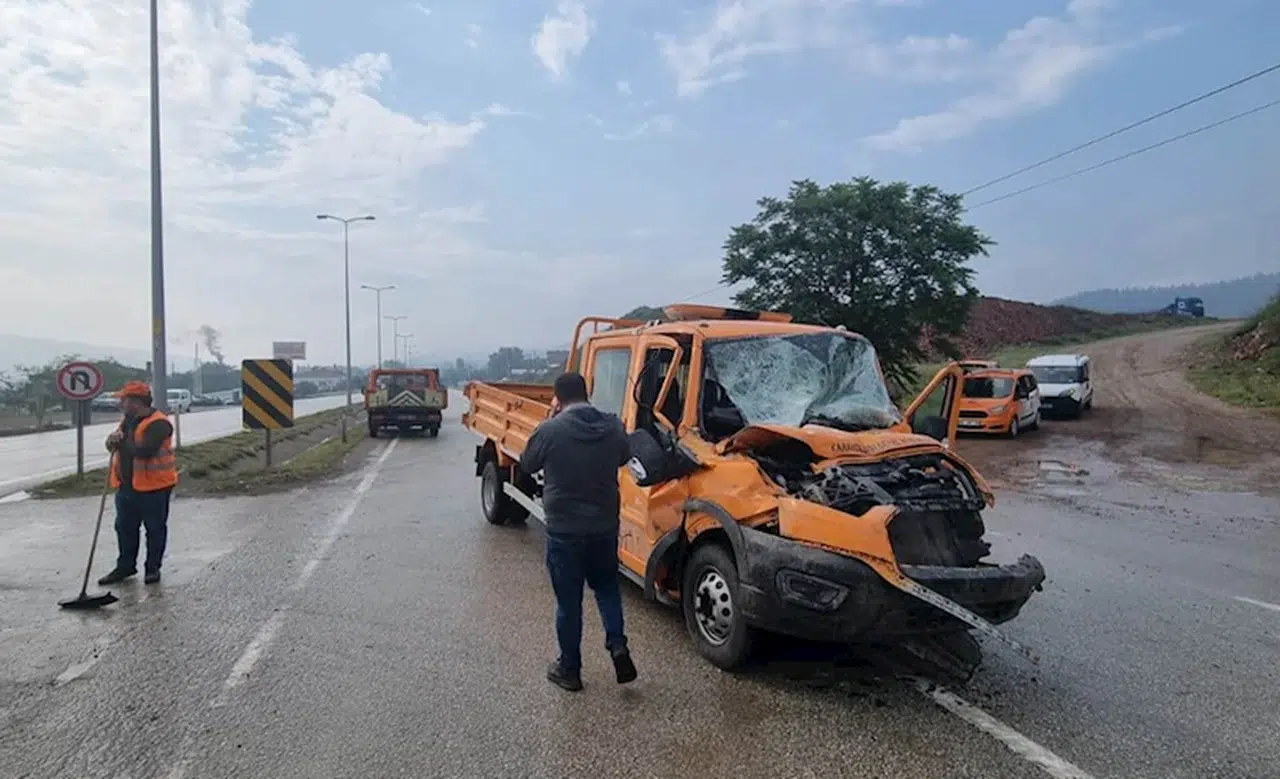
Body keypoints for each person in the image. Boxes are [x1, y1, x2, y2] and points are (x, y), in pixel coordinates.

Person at [521, 371, 637, 692]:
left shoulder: (551, 429)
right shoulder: (613, 426)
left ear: (557, 398)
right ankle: (617, 644)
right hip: (604, 527)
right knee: (607, 588)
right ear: (587, 393)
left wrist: (549, 420)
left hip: (565, 531)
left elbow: (528, 464)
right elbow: (625, 456)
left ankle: (570, 669)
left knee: (569, 602)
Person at [96, 380, 178, 586]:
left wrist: (122, 441)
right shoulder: (128, 421)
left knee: (155, 529)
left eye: (124, 400)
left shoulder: (159, 423)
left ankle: (152, 569)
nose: (121, 404)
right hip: (126, 486)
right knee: (124, 527)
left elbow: (144, 451)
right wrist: (111, 441)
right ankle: (125, 566)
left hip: (154, 487)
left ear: (137, 402)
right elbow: (116, 447)